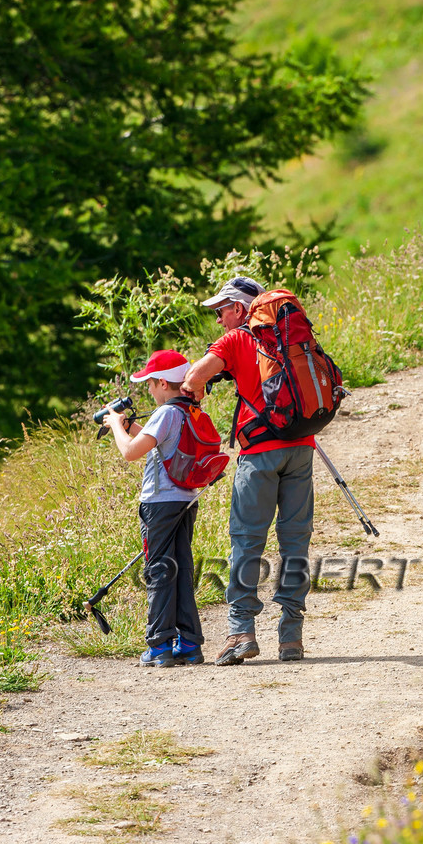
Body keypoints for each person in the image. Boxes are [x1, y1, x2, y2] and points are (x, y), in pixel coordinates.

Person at [181, 276, 316, 665]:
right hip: (301, 449)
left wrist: (200, 389)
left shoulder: (238, 339)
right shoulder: (290, 339)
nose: (220, 319)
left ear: (240, 309)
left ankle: (241, 633)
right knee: (295, 542)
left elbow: (193, 377)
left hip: (258, 455)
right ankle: (291, 638)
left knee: (246, 542)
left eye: (222, 310)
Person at [105, 349, 206, 668]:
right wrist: (131, 425)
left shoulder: (166, 413)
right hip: (185, 500)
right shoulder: (188, 409)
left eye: (150, 382)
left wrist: (115, 426)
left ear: (163, 382)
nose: (148, 389)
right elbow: (158, 442)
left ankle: (159, 645)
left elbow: (131, 452)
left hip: (159, 504)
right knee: (181, 568)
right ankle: (188, 642)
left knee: (159, 570)